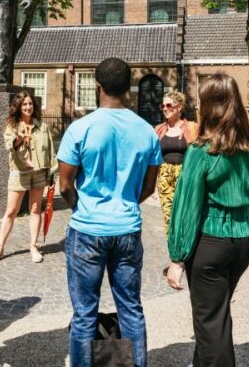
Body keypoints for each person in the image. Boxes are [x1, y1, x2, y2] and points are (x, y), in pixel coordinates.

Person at [57, 58, 162, 367]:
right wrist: (125, 201)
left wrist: (83, 206)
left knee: (84, 312)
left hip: (88, 228)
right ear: (129, 87)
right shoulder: (146, 131)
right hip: (127, 227)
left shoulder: (80, 128)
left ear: (97, 86)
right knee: (130, 307)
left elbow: (65, 185)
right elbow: (149, 187)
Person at [166, 74, 249, 366]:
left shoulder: (202, 152)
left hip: (210, 243)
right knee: (217, 312)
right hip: (240, 243)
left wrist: (177, 258)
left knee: (210, 320)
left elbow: (186, 207)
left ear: (207, 107)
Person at [0, 90, 58, 263]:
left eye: (30, 104)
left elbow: (51, 151)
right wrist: (19, 139)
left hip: (39, 173)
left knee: (36, 209)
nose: (28, 107)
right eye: (24, 104)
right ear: (19, 107)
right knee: (11, 211)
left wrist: (52, 173)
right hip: (19, 173)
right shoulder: (12, 127)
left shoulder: (42, 126)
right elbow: (10, 145)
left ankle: (33, 246)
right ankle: (0, 247)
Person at [153, 90, 198, 236]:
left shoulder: (191, 127)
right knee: (168, 217)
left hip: (184, 174)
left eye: (168, 105)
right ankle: (174, 251)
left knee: (185, 214)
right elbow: (154, 157)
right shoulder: (159, 129)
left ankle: (186, 250)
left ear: (179, 107)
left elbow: (200, 154)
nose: (165, 108)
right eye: (163, 106)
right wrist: (153, 182)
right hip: (165, 176)